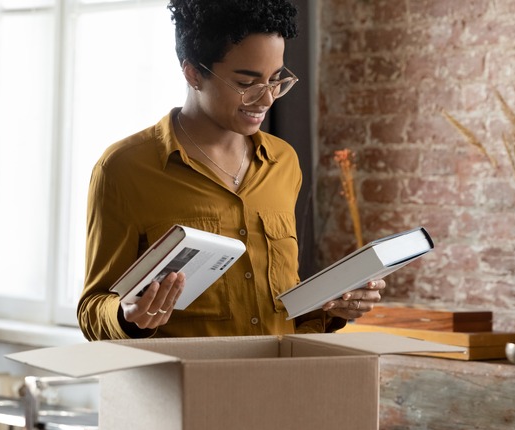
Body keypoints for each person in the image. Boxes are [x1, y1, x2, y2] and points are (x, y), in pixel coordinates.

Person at [77, 0, 385, 341]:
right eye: (247, 82)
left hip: (281, 385)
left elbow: (281, 311)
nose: (267, 98)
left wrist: (331, 308)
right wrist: (129, 317)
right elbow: (93, 309)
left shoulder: (283, 163)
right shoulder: (125, 169)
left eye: (276, 79)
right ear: (193, 72)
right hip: (184, 388)